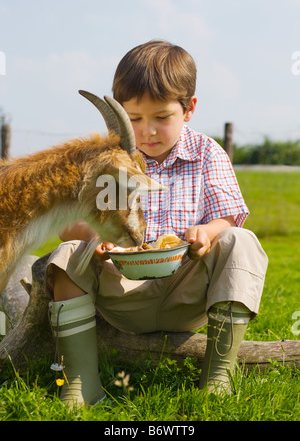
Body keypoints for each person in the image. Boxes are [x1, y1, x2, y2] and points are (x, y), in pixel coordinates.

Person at [47, 40, 268, 406]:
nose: (147, 131)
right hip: (123, 293)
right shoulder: (112, 164)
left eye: (161, 118)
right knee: (68, 252)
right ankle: (80, 384)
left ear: (189, 109)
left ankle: (217, 377)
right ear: (118, 115)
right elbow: (74, 228)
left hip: (188, 289)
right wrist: (94, 238)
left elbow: (228, 216)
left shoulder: (207, 153)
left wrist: (207, 232)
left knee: (240, 240)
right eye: (134, 119)